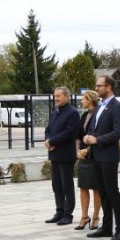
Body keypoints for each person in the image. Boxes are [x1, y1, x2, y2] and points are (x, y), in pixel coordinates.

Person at [83, 75, 120, 240]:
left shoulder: (117, 107)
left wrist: (98, 140)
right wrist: (89, 139)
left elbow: (118, 132)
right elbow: (96, 129)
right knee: (103, 193)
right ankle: (106, 227)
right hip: (96, 155)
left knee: (112, 192)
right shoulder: (99, 106)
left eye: (99, 85)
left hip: (108, 156)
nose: (97, 88)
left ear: (108, 87)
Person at [44, 86, 82, 226]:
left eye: (58, 96)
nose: (56, 98)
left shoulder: (72, 113)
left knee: (67, 185)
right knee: (56, 185)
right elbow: (48, 129)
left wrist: (53, 141)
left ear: (66, 96)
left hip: (66, 155)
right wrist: (48, 140)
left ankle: (67, 214)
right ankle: (59, 212)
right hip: (54, 153)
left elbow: (70, 132)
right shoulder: (55, 111)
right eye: (55, 96)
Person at [75, 90, 102, 231]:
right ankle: (84, 216)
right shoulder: (85, 115)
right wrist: (78, 151)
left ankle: (96, 216)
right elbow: (79, 135)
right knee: (83, 186)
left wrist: (87, 150)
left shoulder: (99, 114)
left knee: (96, 187)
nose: (81, 101)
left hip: (95, 154)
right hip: (83, 156)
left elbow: (98, 136)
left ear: (90, 100)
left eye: (84, 99)